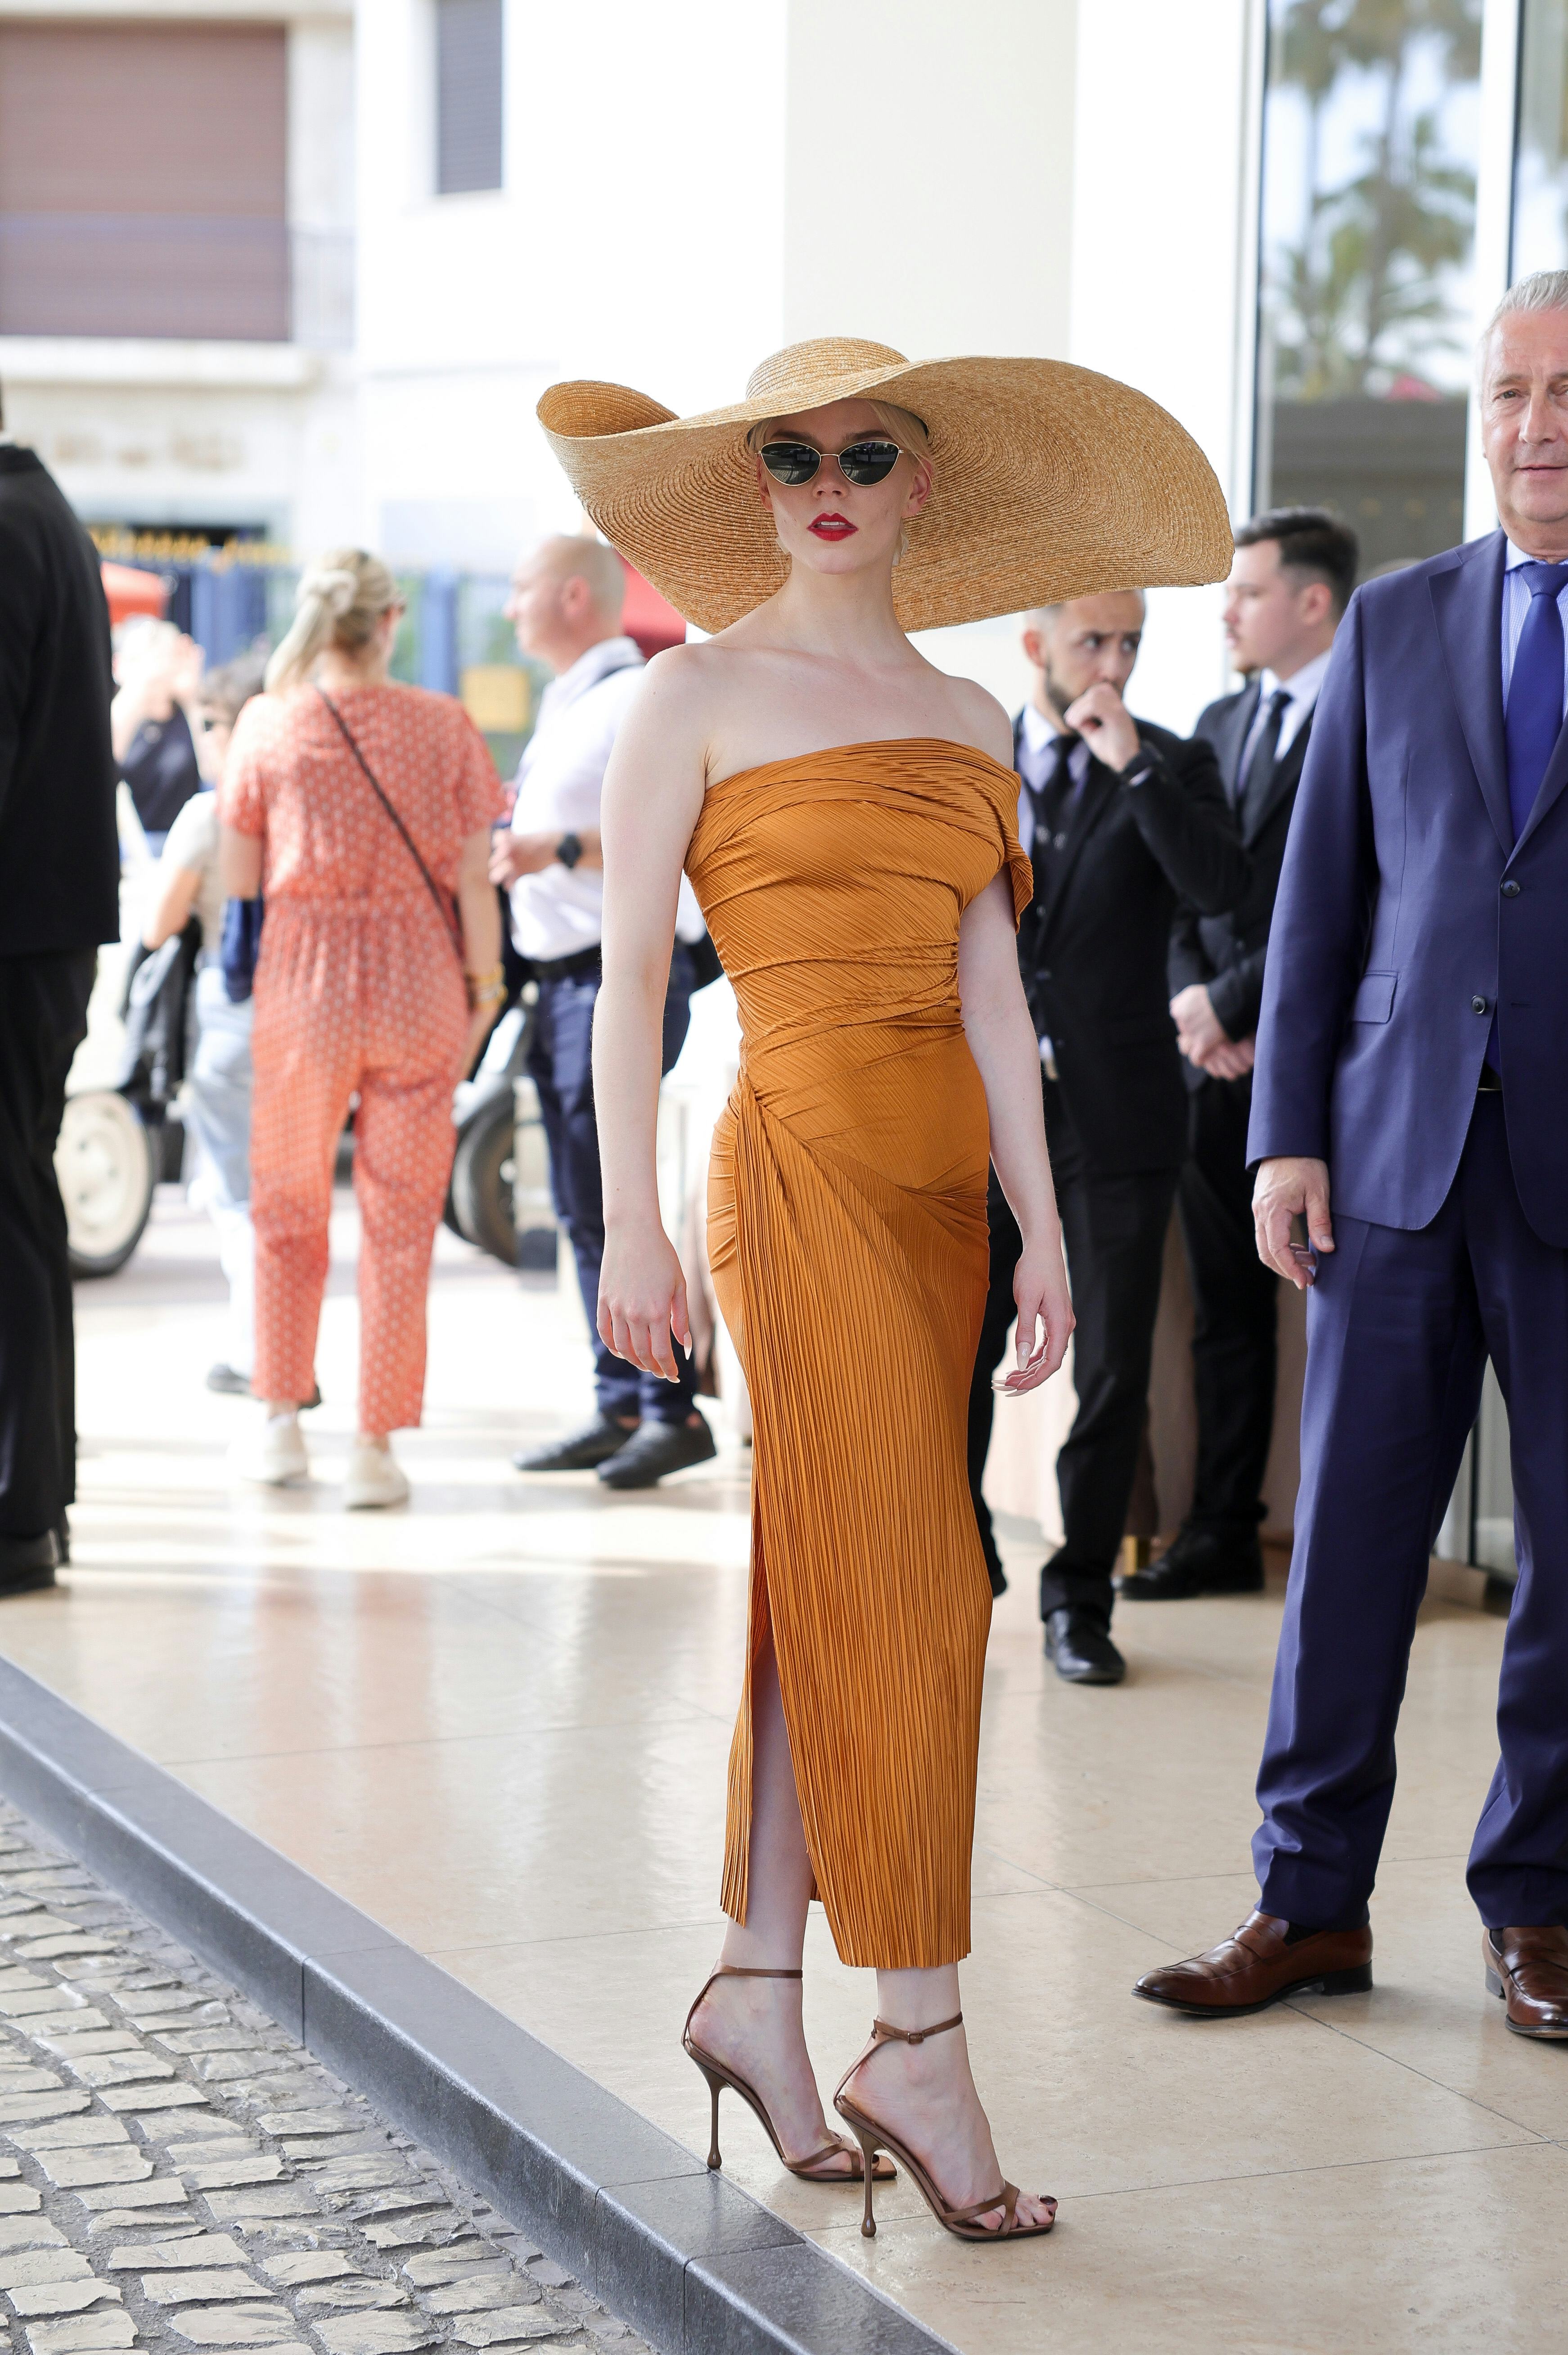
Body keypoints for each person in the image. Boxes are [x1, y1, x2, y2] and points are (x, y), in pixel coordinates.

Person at [540, 336, 1230, 2236]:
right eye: (790, 452)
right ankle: (913, 2025)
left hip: (945, 1201)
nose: (826, 478)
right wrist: (628, 1222)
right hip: (795, 1173)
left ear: (926, 485)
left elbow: (998, 999)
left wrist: (1052, 1229)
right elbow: (630, 988)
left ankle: (758, 1988)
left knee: (827, 1573)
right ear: (752, 482)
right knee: (920, 1584)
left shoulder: (968, 719)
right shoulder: (689, 695)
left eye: (866, 450)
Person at [1134, 270, 1568, 2037]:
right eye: (1510, 395)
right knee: (1345, 1551)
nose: (1537, 427)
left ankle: (1536, 1905)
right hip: (1385, 1157)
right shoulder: (1394, 622)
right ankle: (1304, 1902)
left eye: (1567, 392)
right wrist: (1281, 1132)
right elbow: (1318, 907)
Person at [967, 597, 1247, 1684]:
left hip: (1120, 1113)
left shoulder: (1169, 762)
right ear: (1034, 644)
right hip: (980, 1110)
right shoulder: (967, 755)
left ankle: (1078, 1598)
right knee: (960, 1347)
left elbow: (1219, 887)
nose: (1113, 664)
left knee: (1114, 1361)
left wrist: (1134, 768)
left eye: (1129, 643)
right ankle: (965, 1554)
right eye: (1092, 642)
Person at [218, 551, 504, 1509]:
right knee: (399, 1220)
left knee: (287, 1205)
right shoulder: (445, 725)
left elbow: (240, 880)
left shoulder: (268, 723)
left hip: (305, 980)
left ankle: (280, 1423)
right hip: (422, 977)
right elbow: (473, 879)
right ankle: (376, 1448)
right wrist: (486, 985)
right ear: (389, 623)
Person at [1124, 508, 1358, 1602]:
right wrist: (1192, 1003)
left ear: (1311, 602)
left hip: (1315, 1061)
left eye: (1247, 591)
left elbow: (1344, 899)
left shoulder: (1368, 715)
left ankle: (1346, 1543)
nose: (1225, 610)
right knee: (1224, 1301)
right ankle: (1220, 1528)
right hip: (1210, 1061)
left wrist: (1231, 1003)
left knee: (1345, 1311)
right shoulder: (1216, 720)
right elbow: (1179, 877)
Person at [491, 536, 715, 1489]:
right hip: (562, 983)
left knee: (624, 1200)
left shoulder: (633, 698)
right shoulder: (574, 697)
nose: (508, 610)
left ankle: (667, 1407)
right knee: (585, 1207)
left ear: (574, 595)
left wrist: (560, 847)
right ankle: (619, 1396)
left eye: (520, 589)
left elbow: (678, 830)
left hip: (615, 979)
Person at [0, 399, 119, 1588]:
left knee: (10, 1214)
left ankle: (20, 1513)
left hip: (17, 935)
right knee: (20, 1203)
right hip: (43, 932)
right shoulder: (46, 515)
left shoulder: (8, 524)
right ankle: (37, 1498)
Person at [142, 654, 268, 1395]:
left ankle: (257, 1350)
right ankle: (282, 1350)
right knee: (288, 1187)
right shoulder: (305, 799)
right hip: (302, 1004)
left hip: (231, 1005)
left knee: (237, 1192)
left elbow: (159, 924)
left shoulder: (212, 811)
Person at [112, 618, 204, 853]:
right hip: (127, 847)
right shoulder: (117, 714)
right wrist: (138, 688)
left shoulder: (187, 713)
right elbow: (101, 768)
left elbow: (213, 773)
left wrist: (192, 700)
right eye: (139, 658)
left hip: (185, 847)